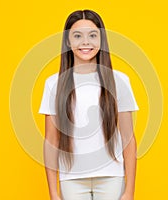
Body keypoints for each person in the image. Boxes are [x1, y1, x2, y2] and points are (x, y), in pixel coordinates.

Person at [38, 9, 139, 200]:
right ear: (68, 41)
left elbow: (128, 139)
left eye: (93, 35)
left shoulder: (119, 81)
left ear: (102, 40)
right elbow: (51, 141)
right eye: (78, 36)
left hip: (112, 178)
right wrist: (53, 193)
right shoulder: (54, 84)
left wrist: (129, 191)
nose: (86, 42)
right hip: (72, 180)